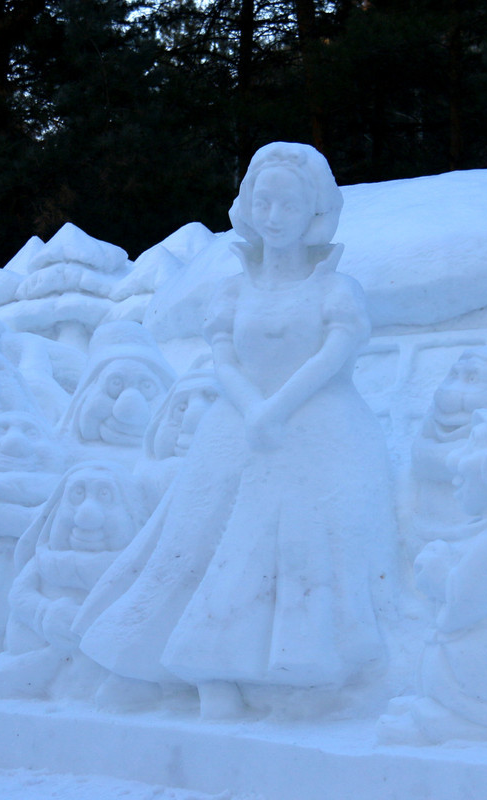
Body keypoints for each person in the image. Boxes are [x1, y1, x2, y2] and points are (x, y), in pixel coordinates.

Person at [74, 142, 394, 718]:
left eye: (288, 206)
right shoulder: (232, 291)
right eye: (262, 202)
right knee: (193, 542)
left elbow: (333, 359)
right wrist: (252, 408)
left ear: (314, 212)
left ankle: (278, 676)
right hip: (235, 430)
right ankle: (154, 666)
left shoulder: (335, 291)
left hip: (316, 430)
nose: (273, 217)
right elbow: (222, 359)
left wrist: (276, 408)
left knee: (287, 552)